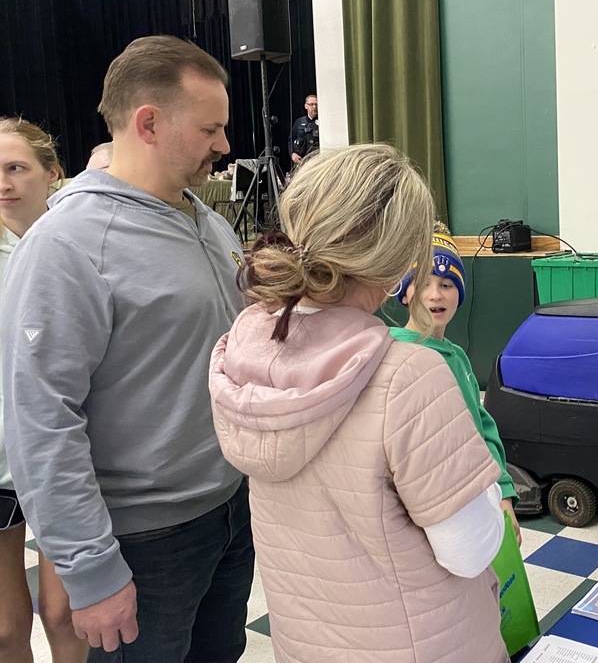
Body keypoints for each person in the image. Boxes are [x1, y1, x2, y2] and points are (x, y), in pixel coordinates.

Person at [1, 36, 254, 662]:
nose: (224, 145)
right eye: (210, 129)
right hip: (143, 543)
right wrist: (90, 571)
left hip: (228, 515)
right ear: (148, 123)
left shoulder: (209, 221)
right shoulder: (67, 244)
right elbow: (40, 420)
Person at [208, 144, 508, 663]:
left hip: (308, 642)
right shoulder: (408, 376)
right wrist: (486, 493)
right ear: (396, 260)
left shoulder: (243, 350)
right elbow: (470, 549)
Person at [0, 118, 85, 663]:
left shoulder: (78, 243)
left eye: (15, 168)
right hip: (1, 460)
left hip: (65, 455)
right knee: (6, 629)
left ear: (51, 173)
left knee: (63, 613)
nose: (4, 182)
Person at [392, 222, 522, 544]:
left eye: (447, 284)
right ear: (405, 293)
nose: (436, 295)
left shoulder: (458, 356)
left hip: (479, 500)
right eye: (424, 284)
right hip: (431, 518)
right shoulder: (395, 357)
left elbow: (481, 428)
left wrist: (504, 493)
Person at [287, 93, 318, 167]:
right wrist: (292, 154)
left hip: (316, 160)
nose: (314, 107)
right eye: (311, 104)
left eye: (316, 104)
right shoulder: (299, 122)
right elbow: (291, 139)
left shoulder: (323, 122)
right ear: (306, 106)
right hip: (301, 160)